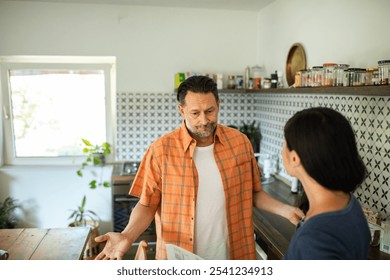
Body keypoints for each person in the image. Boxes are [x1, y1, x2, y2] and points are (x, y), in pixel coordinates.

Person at [95, 75, 304, 260]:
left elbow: (253, 193)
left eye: (210, 111)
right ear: (181, 110)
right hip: (180, 260)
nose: (204, 120)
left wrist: (287, 211)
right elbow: (148, 204)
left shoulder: (240, 143)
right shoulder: (160, 150)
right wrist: (127, 235)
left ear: (219, 105)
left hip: (235, 257)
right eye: (195, 113)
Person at [282, 107, 371, 260]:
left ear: (295, 158)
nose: (282, 149)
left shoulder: (313, 240)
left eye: (285, 144)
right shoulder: (348, 203)